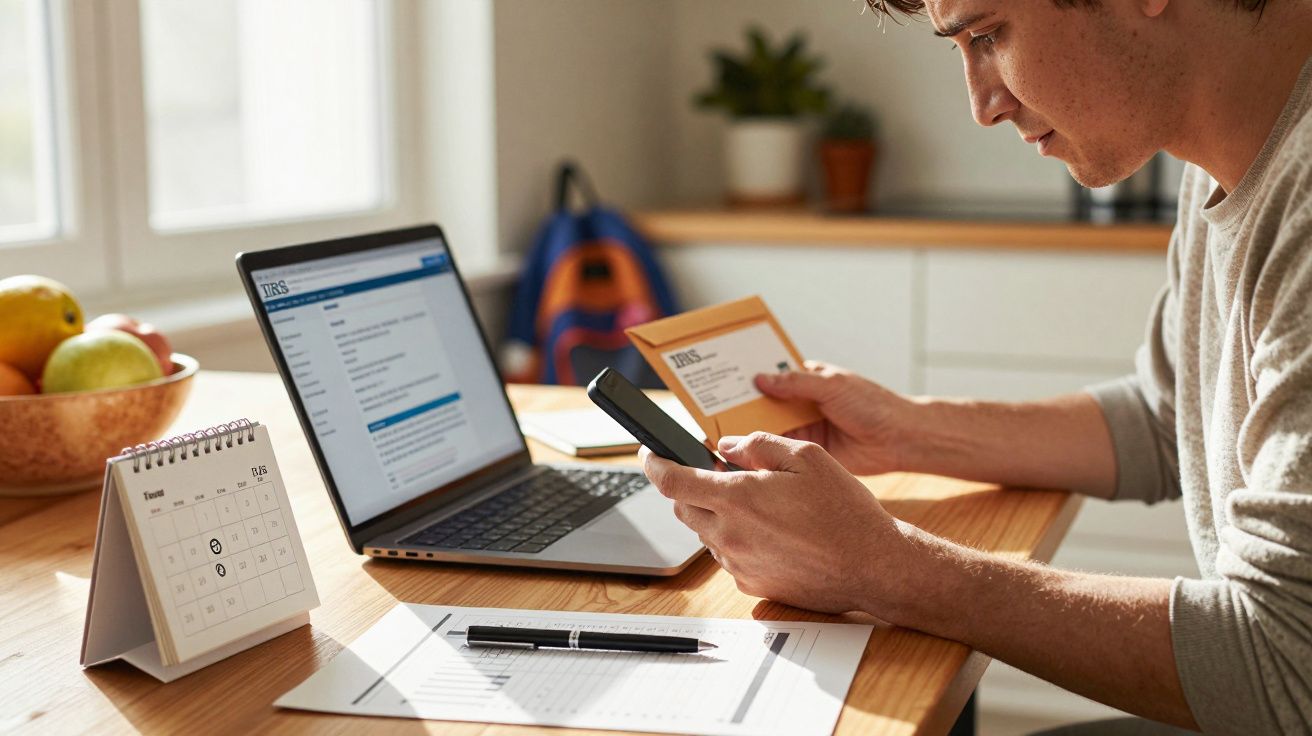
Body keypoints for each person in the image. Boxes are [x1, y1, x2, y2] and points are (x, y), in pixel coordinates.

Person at [639, 1, 1312, 732]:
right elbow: (1166, 417)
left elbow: (1283, 661)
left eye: (988, 35)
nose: (982, 105)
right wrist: (909, 430)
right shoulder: (1218, 145)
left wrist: (885, 568)